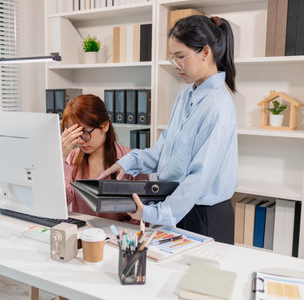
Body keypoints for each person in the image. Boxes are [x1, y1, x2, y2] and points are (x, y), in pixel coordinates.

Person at [98, 15, 238, 244]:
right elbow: (163, 151)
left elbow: (199, 178)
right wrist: (126, 161)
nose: (175, 65)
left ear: (205, 52)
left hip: (202, 215)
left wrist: (156, 214)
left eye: (181, 57)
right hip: (176, 206)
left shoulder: (218, 106)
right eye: (172, 57)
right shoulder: (186, 95)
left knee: (197, 280)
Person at [61, 94, 148, 222]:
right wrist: (61, 157)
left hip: (118, 238)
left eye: (85, 132)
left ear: (105, 125)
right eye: (75, 134)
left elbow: (141, 216)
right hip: (82, 235)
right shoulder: (71, 158)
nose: (80, 141)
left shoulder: (131, 161)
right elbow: (61, 203)